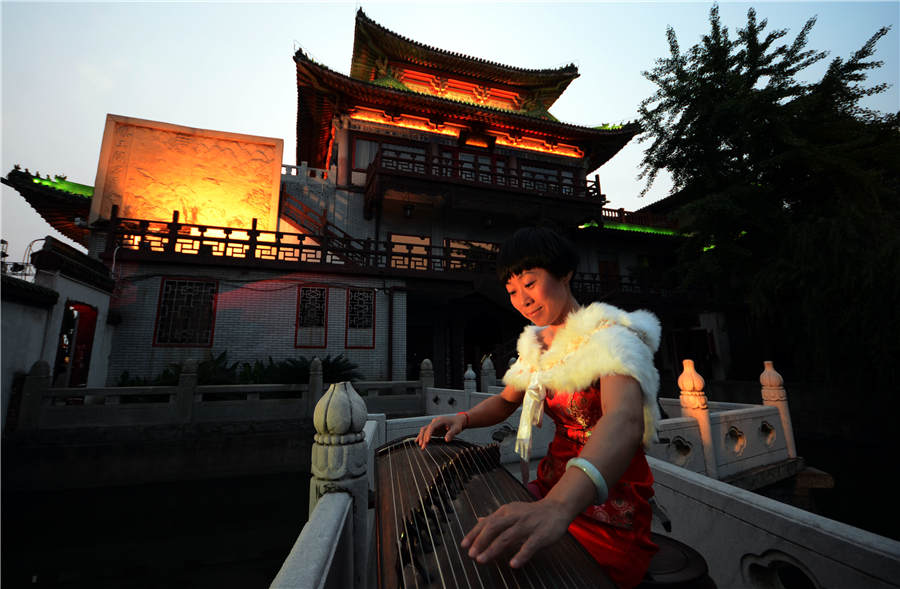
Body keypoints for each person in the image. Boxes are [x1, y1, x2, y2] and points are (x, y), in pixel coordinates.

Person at [416, 226, 661, 589]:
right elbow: (505, 401)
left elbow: (623, 419)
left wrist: (558, 507)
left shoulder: (611, 336)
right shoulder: (536, 344)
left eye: (530, 283)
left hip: (606, 496)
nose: (522, 300)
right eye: (512, 291)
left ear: (565, 274)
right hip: (551, 483)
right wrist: (463, 418)